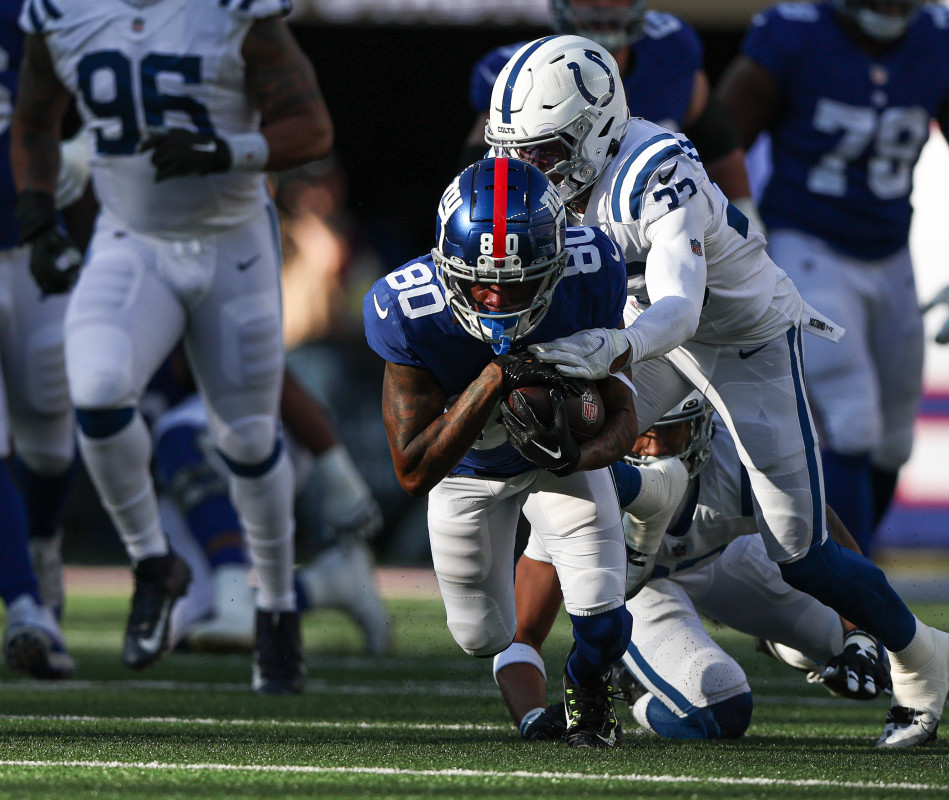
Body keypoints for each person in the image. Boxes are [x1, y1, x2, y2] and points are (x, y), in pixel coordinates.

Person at [486, 35, 949, 748]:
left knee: (801, 553)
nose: (526, 170)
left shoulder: (655, 170)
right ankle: (598, 629)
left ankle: (923, 653)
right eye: (514, 151)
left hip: (743, 342)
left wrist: (614, 344)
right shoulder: (550, 183)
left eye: (544, 152)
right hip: (657, 337)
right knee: (566, 427)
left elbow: (679, 305)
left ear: (595, 131)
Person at [11, 0, 334, 695]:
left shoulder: (230, 10)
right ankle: (153, 564)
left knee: (246, 438)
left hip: (233, 242)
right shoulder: (62, 14)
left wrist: (229, 150)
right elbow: (34, 121)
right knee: (95, 391)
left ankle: (276, 607)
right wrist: (37, 215)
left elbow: (311, 127)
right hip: (132, 241)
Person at [363, 158, 638, 748]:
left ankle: (590, 695)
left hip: (555, 466)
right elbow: (412, 470)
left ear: (556, 264)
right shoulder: (413, 312)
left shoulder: (592, 271)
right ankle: (527, 691)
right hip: (465, 475)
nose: (495, 297)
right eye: (480, 281)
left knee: (605, 618)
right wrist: (495, 379)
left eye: (516, 280)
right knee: (482, 635)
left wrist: (578, 460)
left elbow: (623, 412)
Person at [714, 1, 949, 559]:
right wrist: (748, 229)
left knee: (893, 443)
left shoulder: (939, 39)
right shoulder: (795, 35)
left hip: (892, 257)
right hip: (806, 247)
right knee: (851, 422)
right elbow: (718, 144)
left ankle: (840, 570)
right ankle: (852, 603)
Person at [495, 392, 893, 742]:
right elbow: (523, 633)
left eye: (670, 432)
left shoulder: (733, 463)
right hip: (640, 592)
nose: (651, 448)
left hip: (726, 557)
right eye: (642, 430)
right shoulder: (583, 492)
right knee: (721, 709)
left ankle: (787, 643)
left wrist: (860, 634)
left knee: (883, 653)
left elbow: (822, 528)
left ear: (703, 428)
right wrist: (531, 716)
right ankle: (632, 683)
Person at [145, 356, 391, 656]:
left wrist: (338, 473)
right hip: (176, 483)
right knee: (190, 635)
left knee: (177, 437)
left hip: (248, 433)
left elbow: (263, 368)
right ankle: (330, 583)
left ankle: (233, 602)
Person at [463, 0, 760, 230]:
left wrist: (745, 215)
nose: (603, 5)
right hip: (560, 231)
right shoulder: (519, 73)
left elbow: (720, 148)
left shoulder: (672, 51)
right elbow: (482, 179)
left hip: (662, 223)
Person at [0, 0, 91, 680]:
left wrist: (89, 149)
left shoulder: (36, 9)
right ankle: (27, 605)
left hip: (33, 242)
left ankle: (42, 550)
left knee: (51, 434)